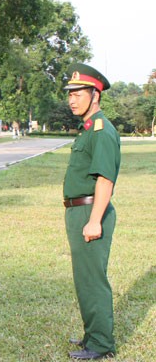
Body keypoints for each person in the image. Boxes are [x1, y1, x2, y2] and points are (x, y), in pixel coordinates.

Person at [62, 63, 119, 360]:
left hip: (89, 212)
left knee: (92, 279)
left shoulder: (102, 130)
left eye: (78, 93)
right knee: (84, 278)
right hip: (79, 211)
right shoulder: (88, 129)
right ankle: (91, 335)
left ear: (95, 94)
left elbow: (105, 179)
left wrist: (94, 220)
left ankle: (100, 344)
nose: (72, 99)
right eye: (69, 94)